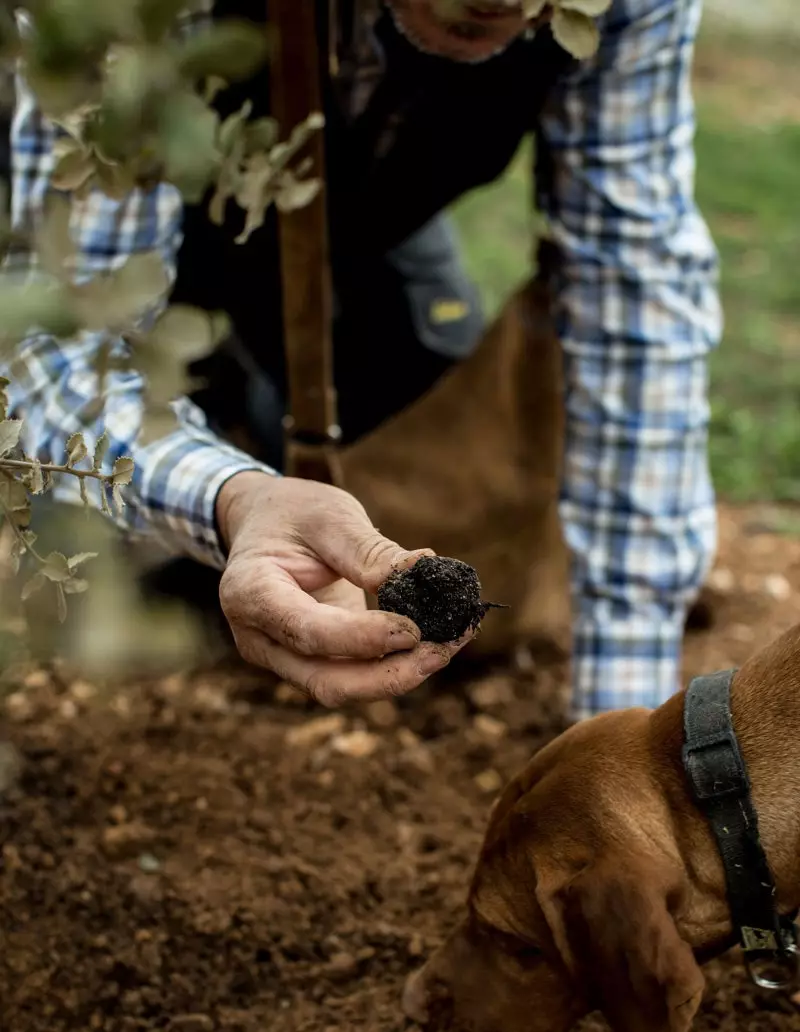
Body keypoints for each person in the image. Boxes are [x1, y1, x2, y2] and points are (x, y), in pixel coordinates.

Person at [2, 0, 721, 719]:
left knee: (427, 470)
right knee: (98, 545)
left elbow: (633, 289)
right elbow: (53, 341)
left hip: (358, 222)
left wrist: (626, 712)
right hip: (113, 233)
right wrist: (231, 497)